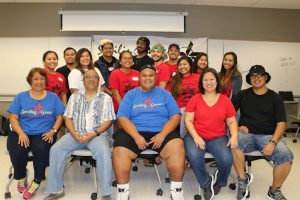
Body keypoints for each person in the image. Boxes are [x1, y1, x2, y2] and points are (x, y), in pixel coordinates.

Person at [113, 65, 185, 200]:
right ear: (139, 78)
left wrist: (162, 134)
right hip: (135, 131)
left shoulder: (165, 94)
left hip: (161, 131)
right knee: (119, 150)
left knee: (177, 145)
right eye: (144, 75)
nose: (147, 78)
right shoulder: (131, 94)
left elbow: (176, 116)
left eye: (151, 75)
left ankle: (176, 190)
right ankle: (123, 191)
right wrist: (136, 136)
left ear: (156, 78)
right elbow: (122, 118)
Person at [44, 69, 116, 200]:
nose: (91, 80)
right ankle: (56, 189)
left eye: (94, 77)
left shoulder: (106, 98)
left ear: (99, 81)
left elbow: (109, 120)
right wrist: (74, 133)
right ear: (83, 81)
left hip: (97, 135)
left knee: (104, 154)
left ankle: (106, 193)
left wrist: (94, 133)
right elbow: (68, 118)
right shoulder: (74, 97)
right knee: (56, 149)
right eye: (88, 77)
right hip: (75, 134)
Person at [231, 65, 294, 200]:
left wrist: (272, 142)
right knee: (234, 142)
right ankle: (242, 180)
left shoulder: (275, 97)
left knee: (286, 157)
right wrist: (236, 128)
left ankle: (274, 190)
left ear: (265, 78)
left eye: (259, 75)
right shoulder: (242, 94)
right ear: (250, 79)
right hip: (246, 135)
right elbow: (228, 114)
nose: (256, 78)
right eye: (253, 76)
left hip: (268, 136)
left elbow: (281, 123)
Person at [7, 67, 64, 200]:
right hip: (21, 131)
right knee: (18, 150)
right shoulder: (21, 96)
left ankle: (37, 180)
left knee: (41, 149)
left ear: (46, 81)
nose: (39, 82)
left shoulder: (53, 97)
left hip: (44, 132)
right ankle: (21, 176)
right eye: (36, 79)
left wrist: (53, 131)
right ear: (30, 81)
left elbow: (60, 116)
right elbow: (13, 118)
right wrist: (21, 133)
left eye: (42, 79)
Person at [184, 68, 239, 200]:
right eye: (205, 79)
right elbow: (188, 120)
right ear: (201, 82)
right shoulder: (195, 99)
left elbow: (231, 121)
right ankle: (205, 182)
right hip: (195, 135)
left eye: (212, 79)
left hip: (217, 137)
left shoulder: (225, 100)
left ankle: (220, 182)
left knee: (226, 159)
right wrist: (196, 136)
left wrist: (234, 136)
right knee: (195, 157)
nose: (209, 82)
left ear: (217, 81)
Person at [169, 56, 200, 137]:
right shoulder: (174, 80)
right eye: (180, 65)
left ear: (190, 66)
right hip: (181, 111)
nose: (182, 67)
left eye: (185, 64)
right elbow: (171, 97)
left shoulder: (198, 78)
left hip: (196, 110)